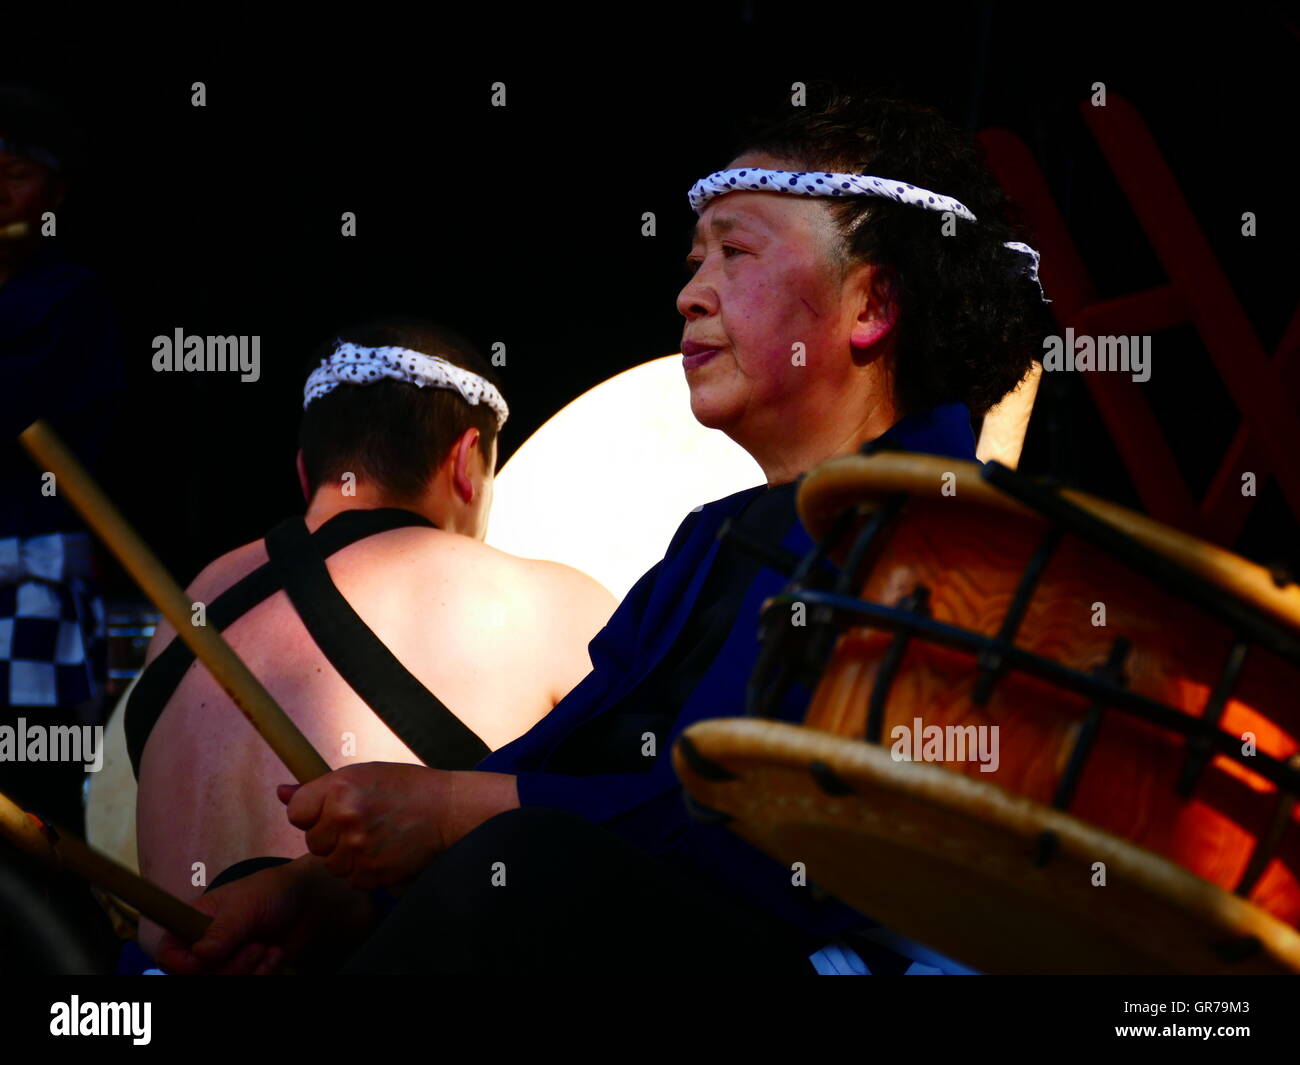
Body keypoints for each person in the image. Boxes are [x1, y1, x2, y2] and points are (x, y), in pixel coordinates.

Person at [156, 87, 1048, 975]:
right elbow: (566, 765)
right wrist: (336, 894)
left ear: (871, 304)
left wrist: (455, 813)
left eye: (734, 252)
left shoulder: (945, 536)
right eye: (696, 260)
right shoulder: (714, 539)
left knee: (533, 875)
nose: (691, 294)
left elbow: (769, 843)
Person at [129, 318, 616, 960]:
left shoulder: (188, 603)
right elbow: (646, 832)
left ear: (306, 472)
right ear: (468, 461)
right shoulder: (549, 602)